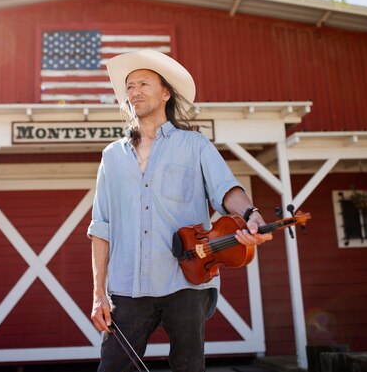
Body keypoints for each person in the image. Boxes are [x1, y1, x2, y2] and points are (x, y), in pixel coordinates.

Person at [87, 50, 272, 372]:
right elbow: (101, 227)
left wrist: (251, 213)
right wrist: (99, 294)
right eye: (129, 86)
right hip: (127, 286)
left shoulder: (194, 145)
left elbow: (227, 190)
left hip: (187, 282)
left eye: (143, 83)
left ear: (166, 93)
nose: (134, 92)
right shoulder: (112, 156)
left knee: (188, 367)